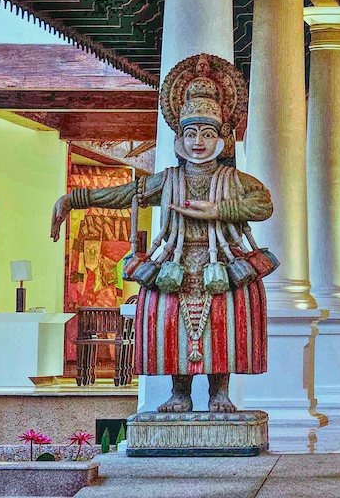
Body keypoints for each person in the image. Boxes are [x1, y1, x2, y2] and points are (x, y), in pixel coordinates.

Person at [51, 53, 275, 413]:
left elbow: (263, 204)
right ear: (179, 138)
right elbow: (124, 193)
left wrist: (219, 210)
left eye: (207, 134)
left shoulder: (234, 180)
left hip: (223, 263)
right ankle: (179, 392)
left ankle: (219, 392)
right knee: (172, 324)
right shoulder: (168, 180)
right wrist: (75, 199)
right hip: (174, 263)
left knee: (223, 324)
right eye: (191, 133)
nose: (198, 142)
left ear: (221, 139)